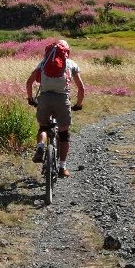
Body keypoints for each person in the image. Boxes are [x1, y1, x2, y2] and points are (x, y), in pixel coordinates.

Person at [25, 39, 85, 177]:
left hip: (44, 99)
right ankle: (63, 168)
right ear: (67, 52)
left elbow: (29, 83)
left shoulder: (43, 63)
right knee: (64, 135)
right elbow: (81, 88)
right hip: (62, 100)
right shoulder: (71, 64)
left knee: (43, 128)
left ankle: (40, 147)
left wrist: (30, 99)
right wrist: (78, 105)